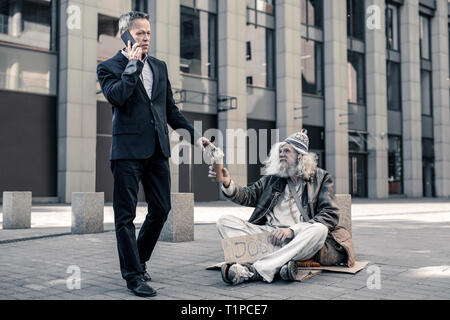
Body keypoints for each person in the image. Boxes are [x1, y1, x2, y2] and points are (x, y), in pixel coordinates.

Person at [97, 11, 209, 297]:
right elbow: (117, 97)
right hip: (126, 152)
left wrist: (197, 138)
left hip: (158, 149)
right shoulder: (109, 67)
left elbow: (169, 109)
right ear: (125, 34)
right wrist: (132, 65)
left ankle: (138, 258)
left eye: (148, 32)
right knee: (125, 216)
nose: (146, 38)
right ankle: (133, 276)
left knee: (161, 209)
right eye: (139, 33)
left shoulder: (159, 66)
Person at [208, 129, 355, 285]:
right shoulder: (273, 179)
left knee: (320, 229)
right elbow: (248, 195)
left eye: (286, 151)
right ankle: (281, 264)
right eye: (280, 151)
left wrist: (292, 231)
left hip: (300, 238)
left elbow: (330, 214)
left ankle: (256, 270)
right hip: (270, 237)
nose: (281, 154)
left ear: (300, 156)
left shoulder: (321, 178)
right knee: (224, 222)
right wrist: (227, 183)